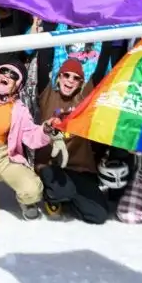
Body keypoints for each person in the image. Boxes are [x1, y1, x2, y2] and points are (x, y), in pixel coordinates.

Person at [0, 3, 64, 224]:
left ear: (17, 87)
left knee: (32, 189)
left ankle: (26, 201)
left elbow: (31, 136)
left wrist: (46, 129)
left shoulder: (18, 109)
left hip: (4, 157)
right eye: (4, 72)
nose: (7, 75)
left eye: (13, 75)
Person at [36, 59, 109, 224]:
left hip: (77, 168)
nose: (70, 80)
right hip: (50, 165)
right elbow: (44, 58)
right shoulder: (47, 93)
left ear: (81, 83)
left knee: (99, 215)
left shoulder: (85, 98)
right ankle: (53, 195)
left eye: (76, 78)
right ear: (58, 77)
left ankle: (70, 198)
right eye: (66, 75)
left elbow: (101, 64)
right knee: (62, 189)